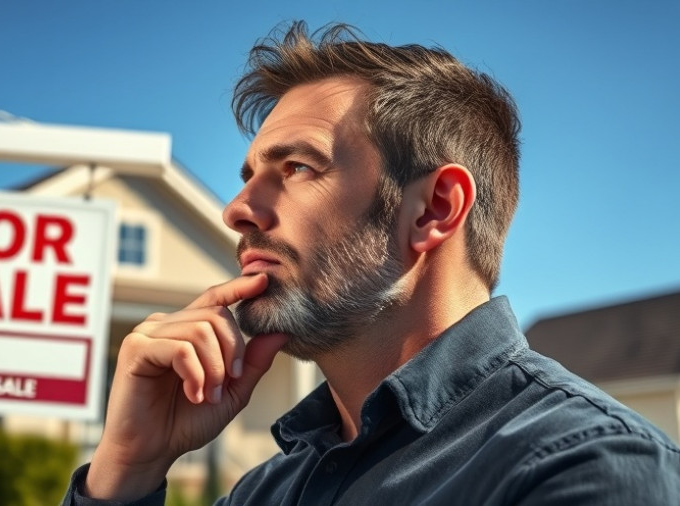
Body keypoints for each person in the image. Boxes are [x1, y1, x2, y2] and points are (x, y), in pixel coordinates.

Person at [62, 21, 680, 505]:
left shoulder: (587, 467)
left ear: (433, 209)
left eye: (297, 168)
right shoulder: (266, 492)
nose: (237, 210)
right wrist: (128, 469)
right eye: (248, 176)